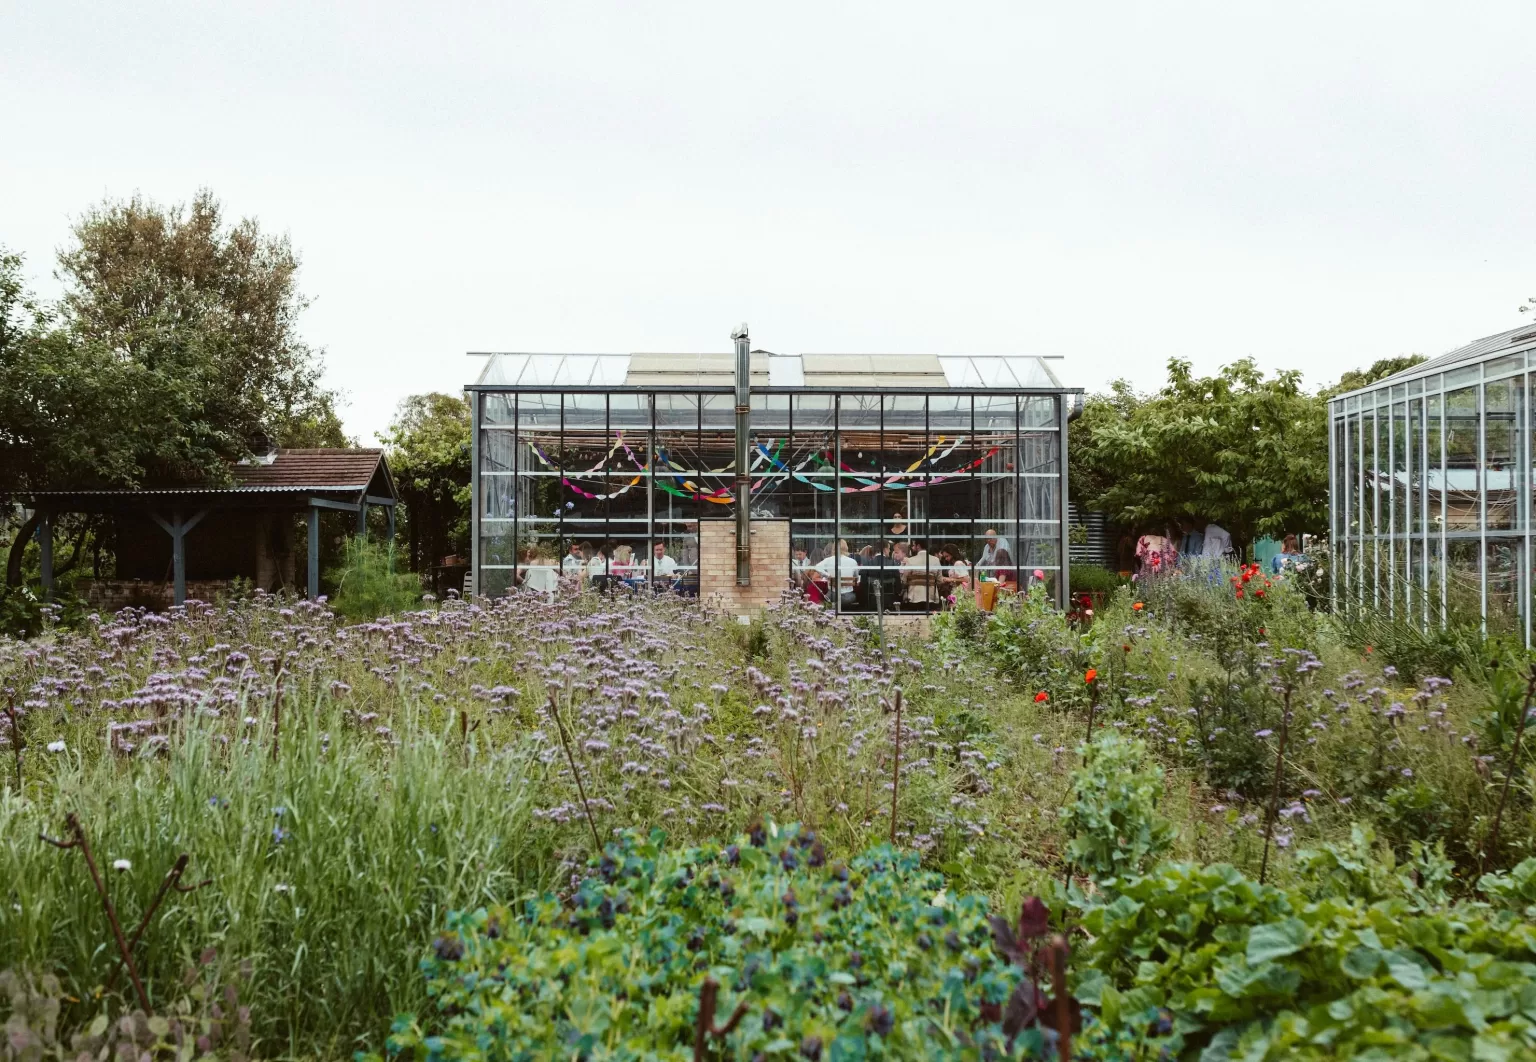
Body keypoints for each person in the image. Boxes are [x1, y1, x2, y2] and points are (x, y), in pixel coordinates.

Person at [813, 539, 860, 609]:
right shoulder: (853, 561)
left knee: (825, 598)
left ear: (834, 548)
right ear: (846, 548)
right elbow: (856, 577)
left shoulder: (828, 560)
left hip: (832, 596)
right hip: (848, 597)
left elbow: (816, 567)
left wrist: (827, 575)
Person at [902, 540, 941, 607]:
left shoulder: (910, 560)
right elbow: (939, 580)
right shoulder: (936, 560)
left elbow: (904, 580)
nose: (912, 547)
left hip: (913, 597)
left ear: (918, 546)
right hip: (931, 597)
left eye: (914, 545)